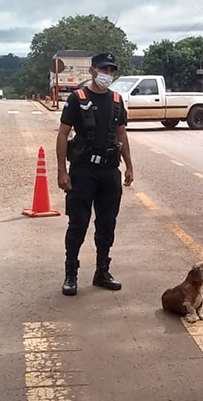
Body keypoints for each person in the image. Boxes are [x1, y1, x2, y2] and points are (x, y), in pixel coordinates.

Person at [55, 52, 133, 296]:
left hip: (109, 172)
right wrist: (61, 170)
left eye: (111, 71)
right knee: (78, 224)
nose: (107, 75)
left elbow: (121, 134)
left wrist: (129, 165)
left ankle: (102, 271)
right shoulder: (77, 99)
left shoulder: (117, 101)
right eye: (103, 70)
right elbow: (62, 134)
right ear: (92, 71)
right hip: (83, 171)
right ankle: (71, 273)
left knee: (107, 224)